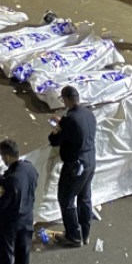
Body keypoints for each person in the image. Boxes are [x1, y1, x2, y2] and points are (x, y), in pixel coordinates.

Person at [48, 86, 97, 247]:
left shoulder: (70, 119)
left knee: (66, 199)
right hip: (90, 160)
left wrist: (57, 129)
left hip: (76, 165)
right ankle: (85, 232)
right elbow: (78, 131)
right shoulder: (88, 113)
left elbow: (55, 140)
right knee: (84, 197)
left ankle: (73, 235)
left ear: (67, 99)